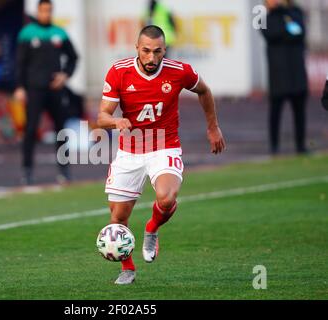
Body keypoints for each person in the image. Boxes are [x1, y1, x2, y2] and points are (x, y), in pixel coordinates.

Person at [96, 25, 225, 284]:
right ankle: (128, 269)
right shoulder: (119, 72)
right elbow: (102, 116)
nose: (152, 58)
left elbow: (204, 91)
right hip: (129, 151)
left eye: (157, 52)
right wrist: (116, 122)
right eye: (146, 51)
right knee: (118, 219)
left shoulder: (179, 71)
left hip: (164, 146)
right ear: (137, 49)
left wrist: (213, 127)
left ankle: (152, 228)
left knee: (166, 198)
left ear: (164, 50)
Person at [14, 0, 78, 185]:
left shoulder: (59, 33)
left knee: (61, 128)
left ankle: (64, 170)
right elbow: (20, 64)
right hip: (34, 89)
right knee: (31, 129)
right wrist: (19, 87)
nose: (46, 14)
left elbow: (73, 57)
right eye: (43, 11)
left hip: (55, 89)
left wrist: (65, 75)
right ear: (38, 11)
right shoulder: (27, 34)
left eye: (49, 11)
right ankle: (27, 171)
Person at [261, 0, 308, 154]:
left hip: (296, 71)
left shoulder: (296, 11)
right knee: (275, 111)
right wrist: (287, 28)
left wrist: (285, 26)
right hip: (278, 73)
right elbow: (270, 34)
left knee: (299, 111)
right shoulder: (263, 17)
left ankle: (301, 146)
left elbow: (300, 33)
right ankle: (274, 147)